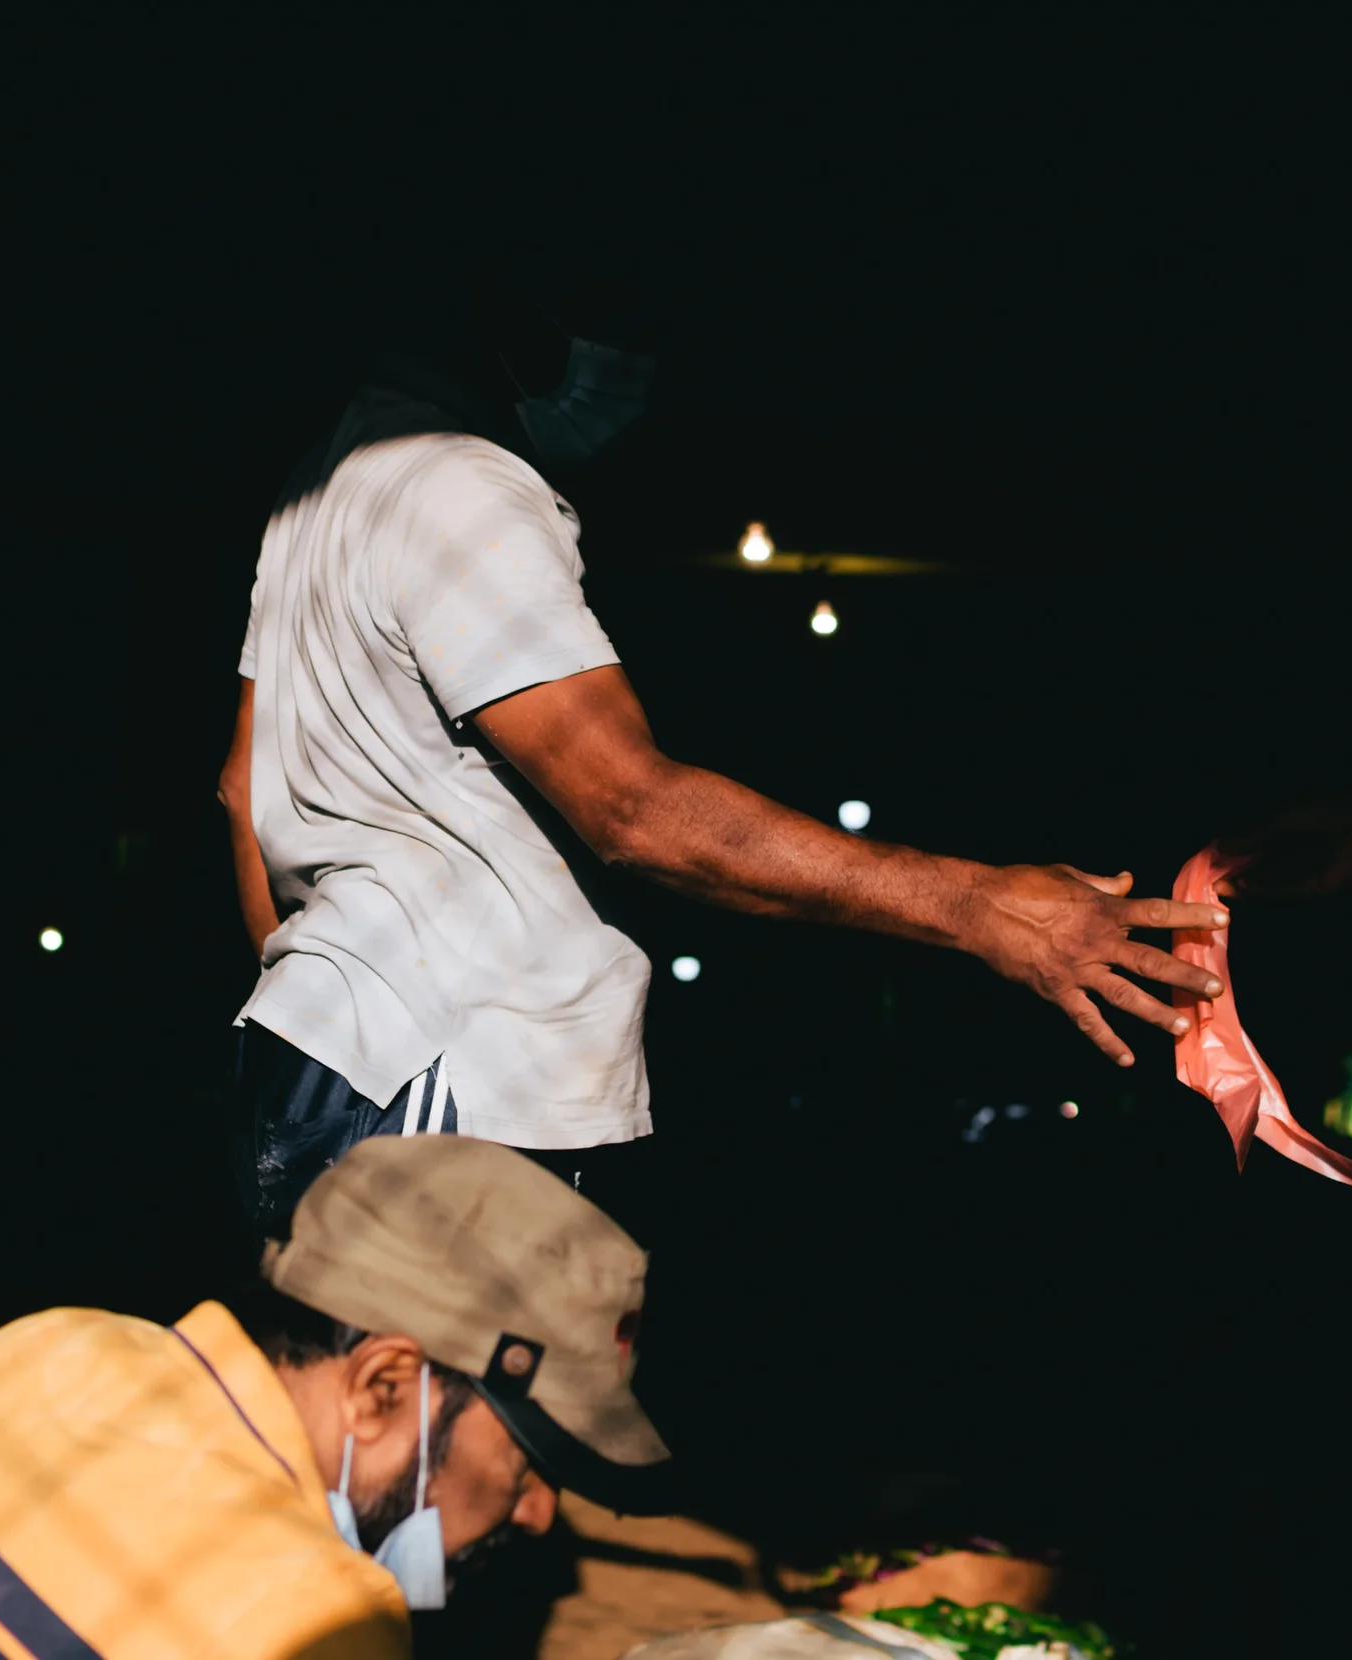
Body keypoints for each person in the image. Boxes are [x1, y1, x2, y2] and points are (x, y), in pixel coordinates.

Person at [221, 275, 1230, 1237]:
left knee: (361, 1414)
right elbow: (629, 807)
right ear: (505, 301)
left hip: (331, 1073)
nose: (633, 346)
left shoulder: (318, 488)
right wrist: (983, 907)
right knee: (454, 1418)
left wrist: (317, 1003)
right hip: (450, 1079)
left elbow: (239, 791)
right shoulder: (459, 483)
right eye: (608, 305)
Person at [0, 1135, 668, 1660]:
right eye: (527, 1457)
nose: (540, 1512)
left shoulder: (51, 1342)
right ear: (383, 1385)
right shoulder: (321, 1613)